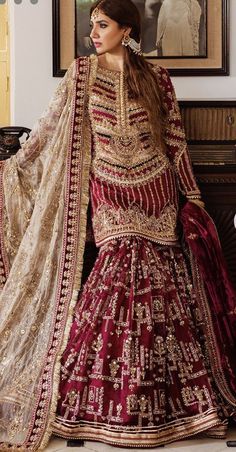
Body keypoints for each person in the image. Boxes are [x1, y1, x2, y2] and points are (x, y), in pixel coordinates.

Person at [0, 0, 235, 450]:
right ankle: (97, 401)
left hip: (156, 189)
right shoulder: (81, 73)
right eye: (91, 25)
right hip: (108, 191)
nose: (93, 32)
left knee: (163, 287)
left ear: (126, 30)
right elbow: (49, 129)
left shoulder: (157, 78)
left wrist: (194, 197)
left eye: (102, 25)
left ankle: (181, 406)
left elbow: (176, 143)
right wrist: (14, 166)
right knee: (117, 278)